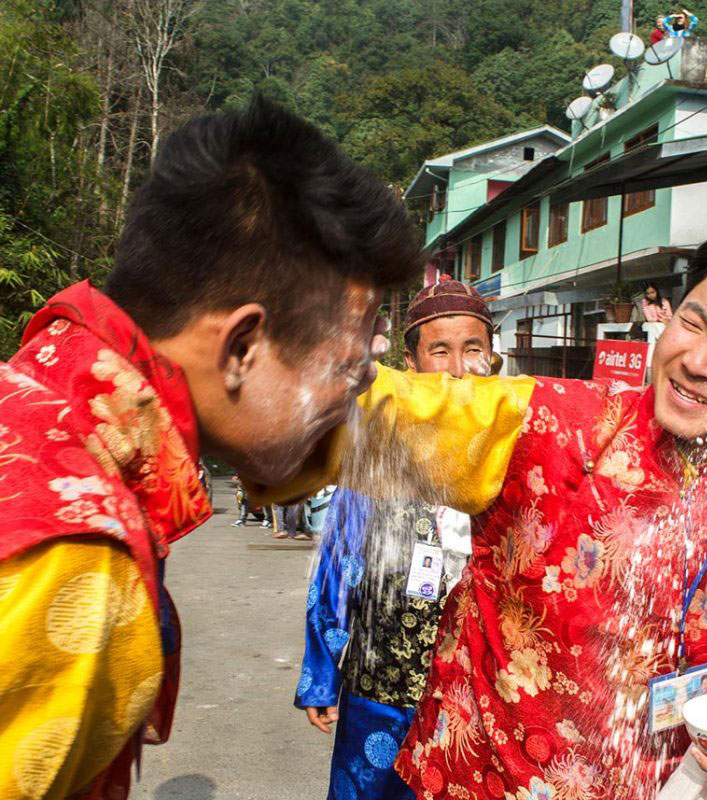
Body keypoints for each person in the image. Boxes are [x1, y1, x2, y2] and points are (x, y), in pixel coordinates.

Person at [263, 227, 707, 799]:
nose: (697, 361)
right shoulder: (554, 421)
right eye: (691, 322)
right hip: (477, 780)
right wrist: (283, 367)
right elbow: (397, 413)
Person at [0, 96, 421, 798]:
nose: (352, 401)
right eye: (347, 370)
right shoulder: (79, 555)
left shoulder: (37, 408)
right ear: (242, 347)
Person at [295, 277, 487, 800]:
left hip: (478, 698)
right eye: (440, 350)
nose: (456, 367)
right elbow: (336, 568)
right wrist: (320, 671)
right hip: (381, 688)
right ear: (412, 362)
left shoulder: (515, 456)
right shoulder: (377, 452)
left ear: (493, 359)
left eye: (473, 349)